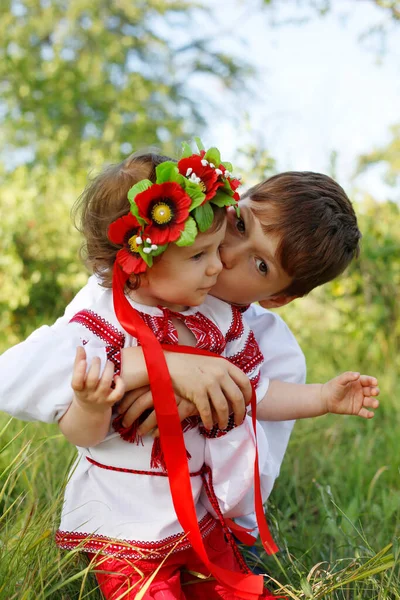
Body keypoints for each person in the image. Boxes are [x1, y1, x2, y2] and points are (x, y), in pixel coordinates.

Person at [31, 143, 376, 599]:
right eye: (239, 223)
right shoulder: (133, 287)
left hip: (212, 519)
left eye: (259, 264)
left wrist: (198, 399)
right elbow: (60, 372)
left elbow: (256, 446)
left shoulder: (272, 346)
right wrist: (165, 365)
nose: (228, 254)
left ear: (277, 297)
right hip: (125, 508)